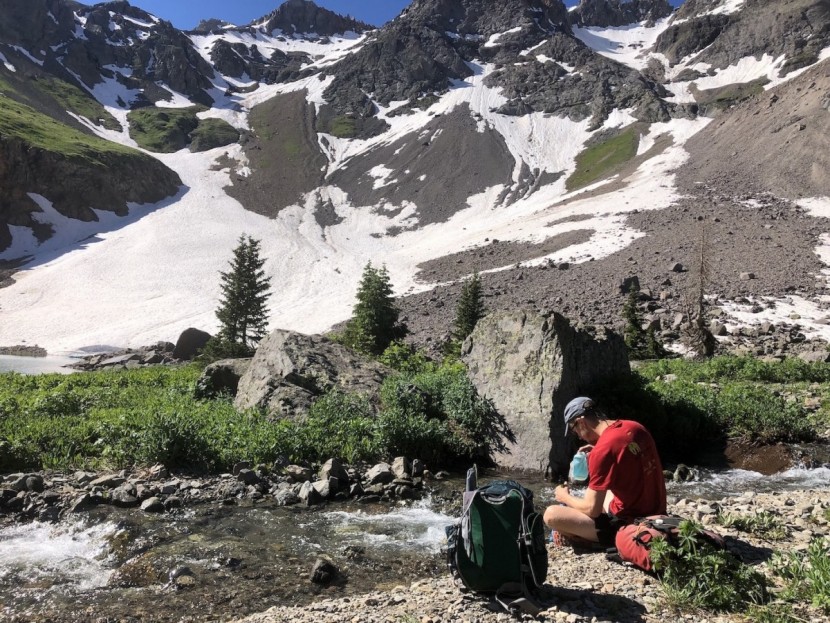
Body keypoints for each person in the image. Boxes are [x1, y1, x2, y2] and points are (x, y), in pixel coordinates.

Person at [543, 396, 666, 547]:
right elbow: (627, 455)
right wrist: (600, 453)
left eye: (575, 430)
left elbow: (592, 509)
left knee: (551, 515)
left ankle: (589, 539)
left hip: (630, 526)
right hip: (657, 511)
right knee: (605, 491)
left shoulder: (603, 451)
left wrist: (564, 497)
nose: (579, 436)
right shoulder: (634, 426)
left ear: (581, 422)